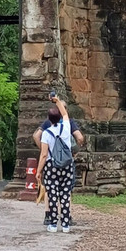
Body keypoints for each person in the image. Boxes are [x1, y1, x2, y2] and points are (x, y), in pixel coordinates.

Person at [37, 93, 75, 233]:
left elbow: (44, 155)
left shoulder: (46, 133)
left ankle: (53, 224)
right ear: (60, 118)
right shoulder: (66, 128)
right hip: (67, 165)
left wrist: (38, 171)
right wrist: (57, 100)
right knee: (65, 194)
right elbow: (65, 114)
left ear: (49, 119)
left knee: (52, 194)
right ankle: (65, 225)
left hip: (51, 166)